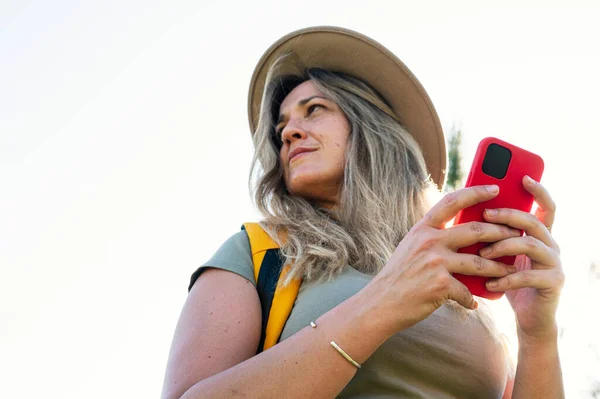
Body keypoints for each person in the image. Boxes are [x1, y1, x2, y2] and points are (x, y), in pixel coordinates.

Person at [161, 26, 565, 398]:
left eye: (314, 109)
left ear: (372, 125)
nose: (288, 132)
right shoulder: (257, 252)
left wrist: (537, 334)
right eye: (281, 125)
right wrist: (384, 302)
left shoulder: (460, 277)